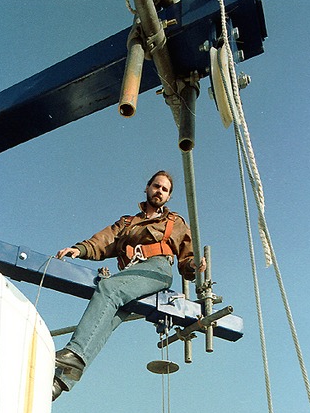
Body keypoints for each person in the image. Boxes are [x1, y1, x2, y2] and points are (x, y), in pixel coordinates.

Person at [52, 170, 206, 400]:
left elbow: (187, 258)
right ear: (147, 188)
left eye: (165, 189)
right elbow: (103, 242)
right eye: (156, 186)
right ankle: (59, 382)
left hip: (156, 269)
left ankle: (73, 353)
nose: (159, 191)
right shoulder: (127, 223)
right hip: (132, 274)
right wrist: (80, 249)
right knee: (107, 319)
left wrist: (194, 266)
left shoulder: (174, 222)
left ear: (168, 197)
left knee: (109, 289)